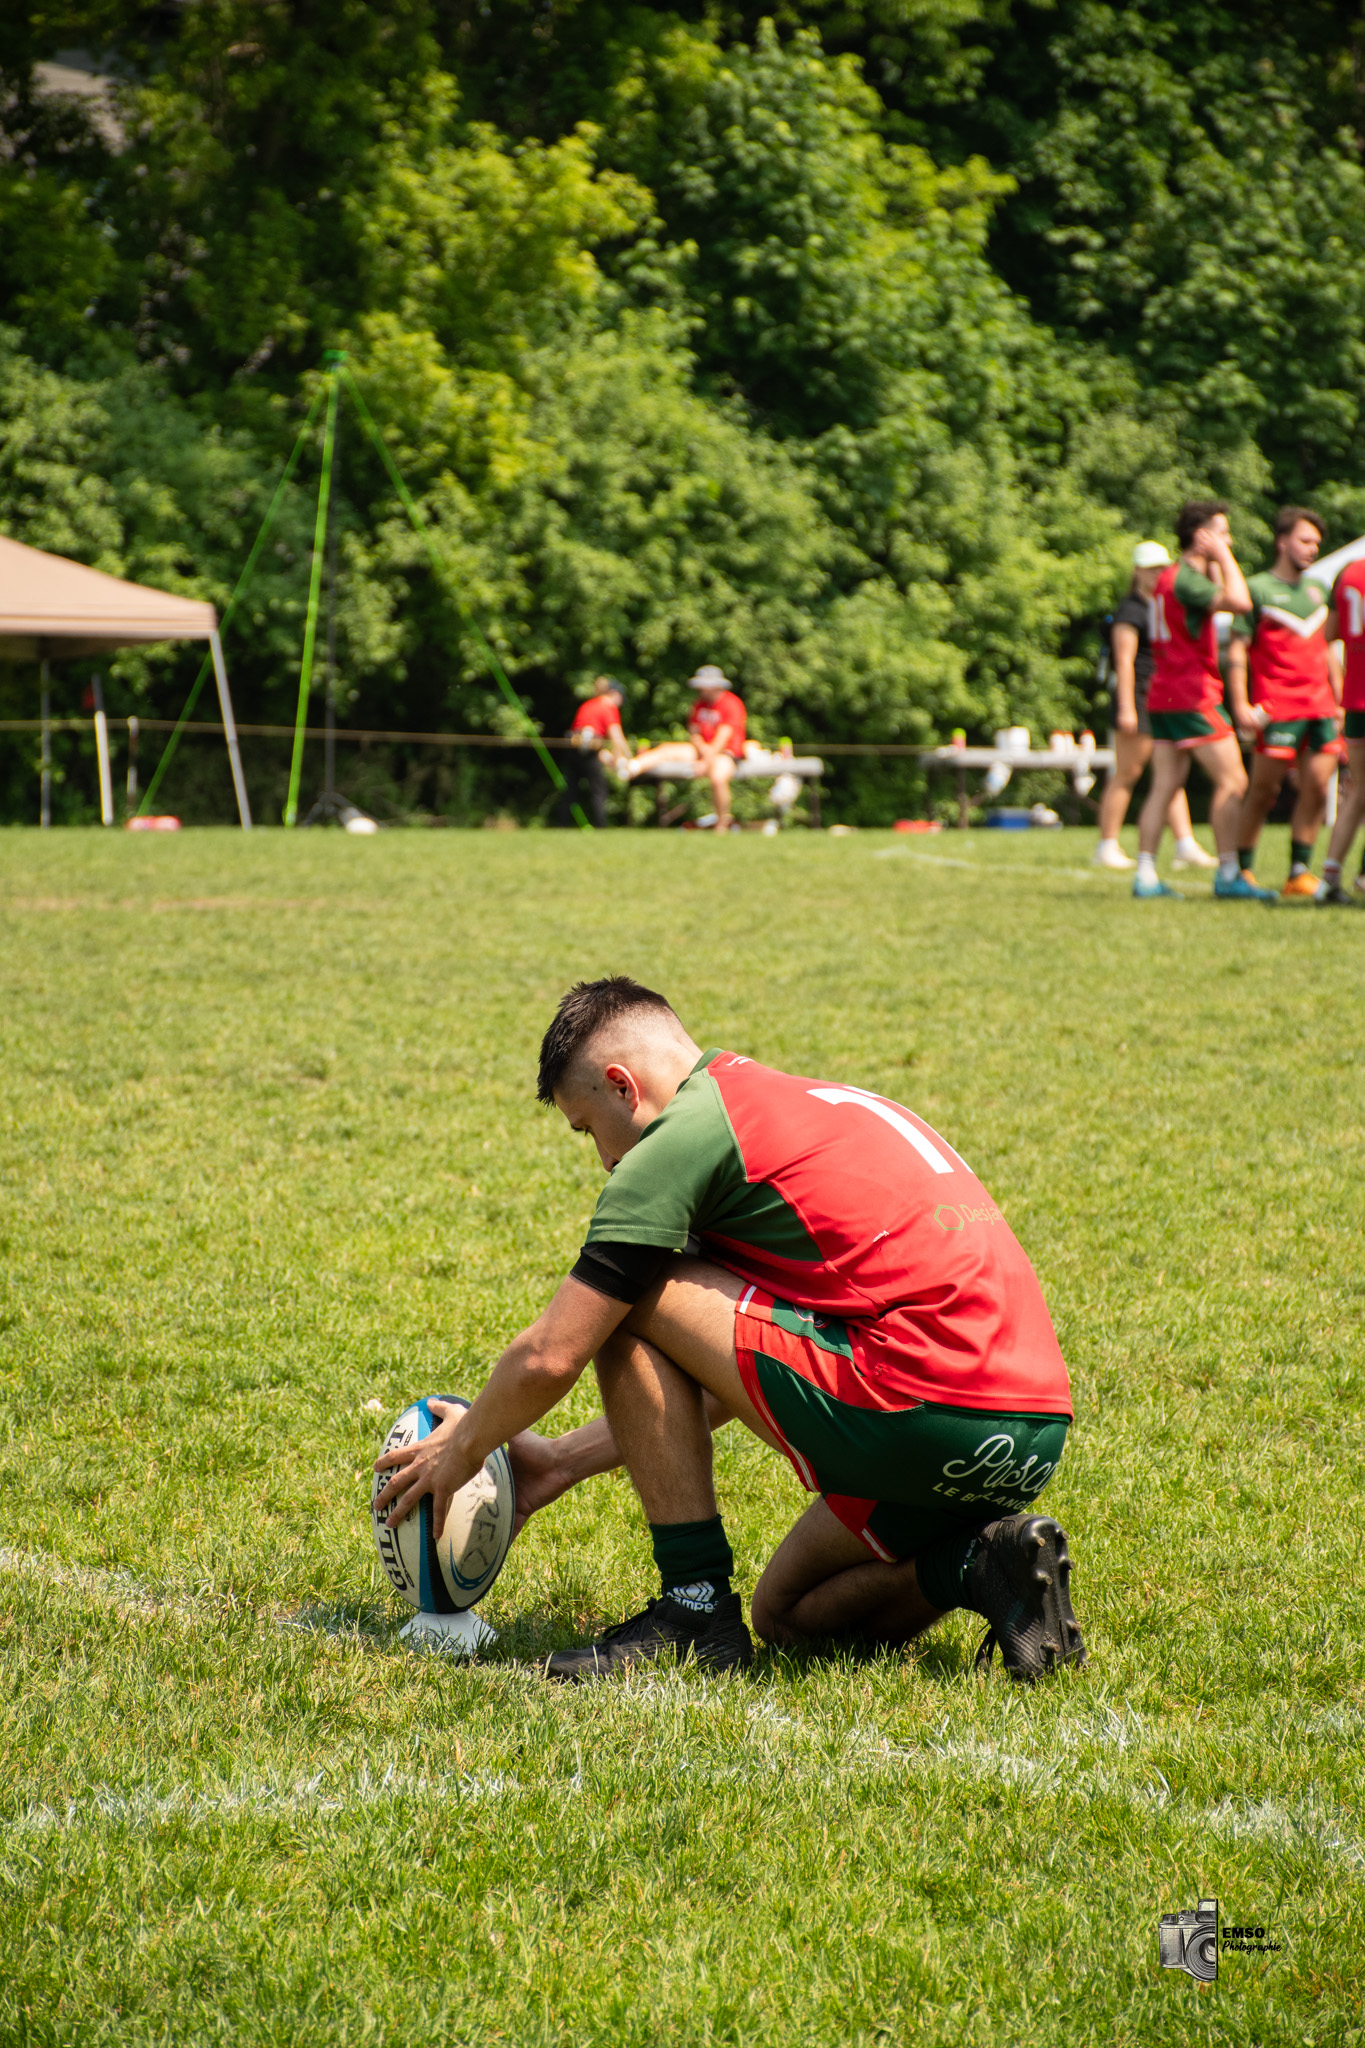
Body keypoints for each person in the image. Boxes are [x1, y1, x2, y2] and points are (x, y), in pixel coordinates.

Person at [374, 976, 1087, 1686]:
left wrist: (463, 1448)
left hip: (918, 1407)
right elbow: (737, 1364)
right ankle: (983, 1564)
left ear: (623, 1086)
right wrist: (559, 1461)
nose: (603, 1160)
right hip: (1027, 1433)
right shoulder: (793, 1105)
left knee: (629, 1294)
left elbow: (552, 1355)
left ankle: (692, 1609)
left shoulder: (682, 1137)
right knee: (789, 1615)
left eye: (587, 1129)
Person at [1133, 501, 1275, 902]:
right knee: (1233, 780)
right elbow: (1242, 602)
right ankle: (1228, 874)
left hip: (1164, 692)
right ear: (1202, 537)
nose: (1228, 540)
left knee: (1165, 785)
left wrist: (1215, 559)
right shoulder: (1187, 579)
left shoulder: (1169, 579)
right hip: (1191, 694)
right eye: (1222, 532)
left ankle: (1145, 876)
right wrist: (1224, 557)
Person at [1225, 508, 1344, 898]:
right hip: (1277, 707)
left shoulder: (1318, 591)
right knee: (1263, 792)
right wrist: (1241, 703)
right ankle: (1241, 871)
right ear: (1282, 541)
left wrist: (1339, 699)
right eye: (1304, 540)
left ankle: (1298, 872)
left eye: (1316, 544)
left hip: (1321, 707)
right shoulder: (1257, 589)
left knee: (1317, 787)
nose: (1312, 549)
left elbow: (1326, 648)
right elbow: (1237, 652)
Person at [1094, 541, 1217, 872]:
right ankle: (1106, 844)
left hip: (1163, 696)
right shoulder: (1131, 610)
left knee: (1171, 773)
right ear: (1136, 571)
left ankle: (1185, 843)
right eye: (1150, 568)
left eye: (1162, 567)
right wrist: (1126, 708)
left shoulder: (1161, 603)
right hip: (1136, 697)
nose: (1157, 574)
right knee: (1128, 773)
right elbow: (1124, 662)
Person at [628, 666, 747, 832]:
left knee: (718, 777)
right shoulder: (698, 705)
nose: (699, 689)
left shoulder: (731, 703)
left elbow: (723, 738)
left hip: (726, 753)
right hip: (702, 750)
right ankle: (631, 767)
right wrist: (702, 750)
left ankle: (722, 824)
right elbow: (694, 733)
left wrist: (706, 761)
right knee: (667, 749)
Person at [1316, 550, 1365, 905]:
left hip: (1355, 698)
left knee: (1358, 791)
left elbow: (1329, 632)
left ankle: (1328, 880)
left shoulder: (1349, 572)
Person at [559, 677, 631, 829]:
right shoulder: (609, 707)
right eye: (621, 698)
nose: (621, 702)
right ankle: (601, 826)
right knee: (598, 791)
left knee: (570, 789)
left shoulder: (587, 704)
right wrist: (628, 757)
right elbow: (616, 737)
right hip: (591, 748)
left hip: (574, 745)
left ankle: (562, 825)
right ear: (614, 694)